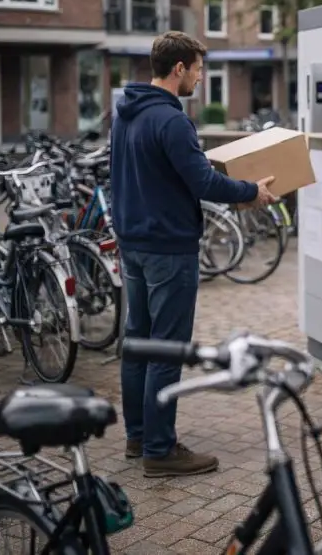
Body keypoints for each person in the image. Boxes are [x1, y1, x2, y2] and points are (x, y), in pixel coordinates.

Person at [111, 31, 277, 478]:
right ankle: (160, 451)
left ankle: (138, 435)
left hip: (134, 244)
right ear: (179, 68)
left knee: (139, 344)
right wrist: (251, 191)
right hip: (167, 248)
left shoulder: (126, 114)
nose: (201, 78)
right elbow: (202, 182)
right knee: (166, 349)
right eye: (199, 69)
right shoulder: (171, 120)